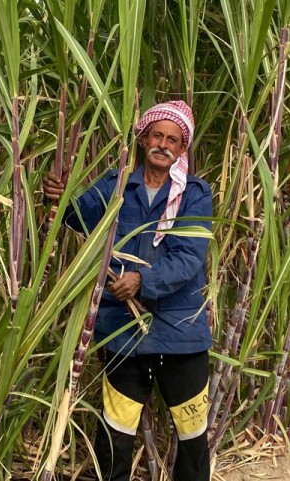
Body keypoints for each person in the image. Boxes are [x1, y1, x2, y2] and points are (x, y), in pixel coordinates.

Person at [42, 100, 213, 481]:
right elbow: (78, 218)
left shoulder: (195, 195)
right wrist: (60, 194)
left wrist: (143, 281)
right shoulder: (117, 184)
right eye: (157, 135)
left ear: (182, 149)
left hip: (179, 334)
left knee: (192, 437)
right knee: (116, 433)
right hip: (123, 333)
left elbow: (188, 258)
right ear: (143, 138)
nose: (163, 145)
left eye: (173, 140)